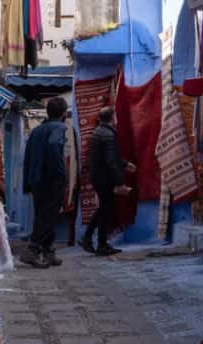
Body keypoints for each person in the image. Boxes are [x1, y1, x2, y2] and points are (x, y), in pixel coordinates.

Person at [80, 106, 135, 256]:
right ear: (112, 118)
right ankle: (98, 242)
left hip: (98, 177)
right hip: (105, 179)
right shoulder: (108, 135)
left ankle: (91, 240)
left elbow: (111, 157)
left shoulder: (98, 133)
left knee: (104, 209)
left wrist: (125, 164)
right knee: (106, 210)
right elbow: (110, 161)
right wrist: (119, 182)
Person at [22, 96, 69, 268]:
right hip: (51, 180)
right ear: (64, 113)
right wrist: (61, 174)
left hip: (36, 180)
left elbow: (27, 156)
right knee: (48, 216)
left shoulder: (36, 131)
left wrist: (27, 182)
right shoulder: (59, 127)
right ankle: (32, 250)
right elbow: (54, 146)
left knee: (44, 215)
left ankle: (48, 251)